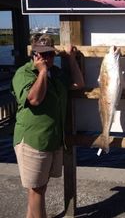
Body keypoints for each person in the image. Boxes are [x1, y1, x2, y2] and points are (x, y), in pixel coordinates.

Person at [11, 34, 84, 218]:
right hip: (33, 140)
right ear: (33, 54)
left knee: (39, 189)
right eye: (41, 54)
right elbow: (34, 99)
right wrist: (42, 71)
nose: (46, 58)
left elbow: (78, 83)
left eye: (50, 54)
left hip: (52, 140)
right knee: (36, 190)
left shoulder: (57, 73)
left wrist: (71, 59)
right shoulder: (24, 73)